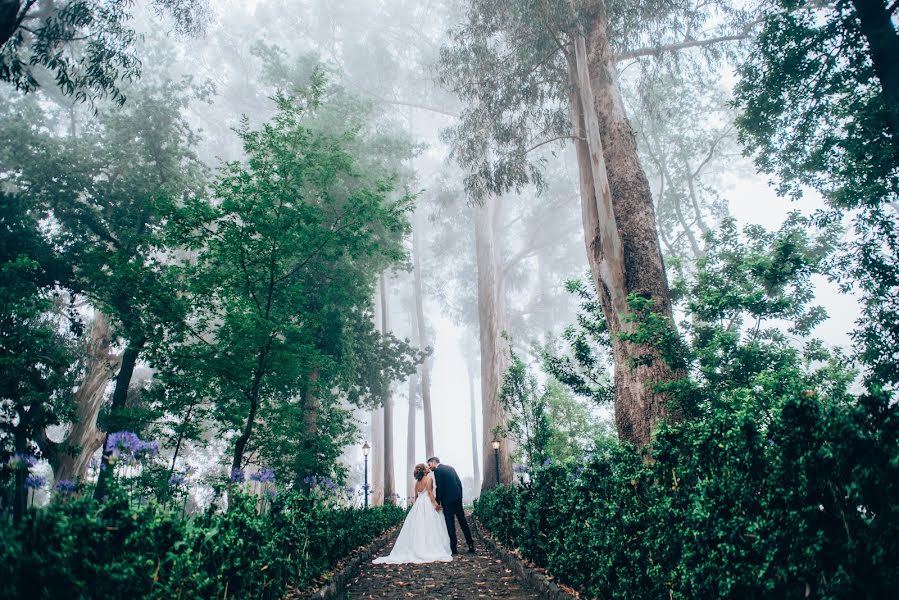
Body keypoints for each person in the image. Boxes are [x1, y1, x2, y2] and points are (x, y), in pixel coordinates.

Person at [372, 463, 452, 564]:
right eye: (426, 467)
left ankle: (416, 547)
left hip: (418, 505)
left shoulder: (417, 483)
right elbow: (430, 494)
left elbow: (416, 497)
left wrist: (416, 508)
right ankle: (428, 548)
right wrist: (436, 505)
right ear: (424, 471)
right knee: (430, 526)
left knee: (419, 527)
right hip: (427, 503)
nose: (428, 468)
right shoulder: (429, 479)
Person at [428, 456, 475, 554]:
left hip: (447, 502)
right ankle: (471, 545)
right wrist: (460, 496)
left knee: (450, 524)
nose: (429, 467)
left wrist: (438, 502)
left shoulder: (437, 471)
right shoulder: (451, 468)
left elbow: (439, 488)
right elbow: (459, 483)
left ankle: (454, 548)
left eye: (429, 464)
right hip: (457, 499)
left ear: (434, 462)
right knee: (463, 522)